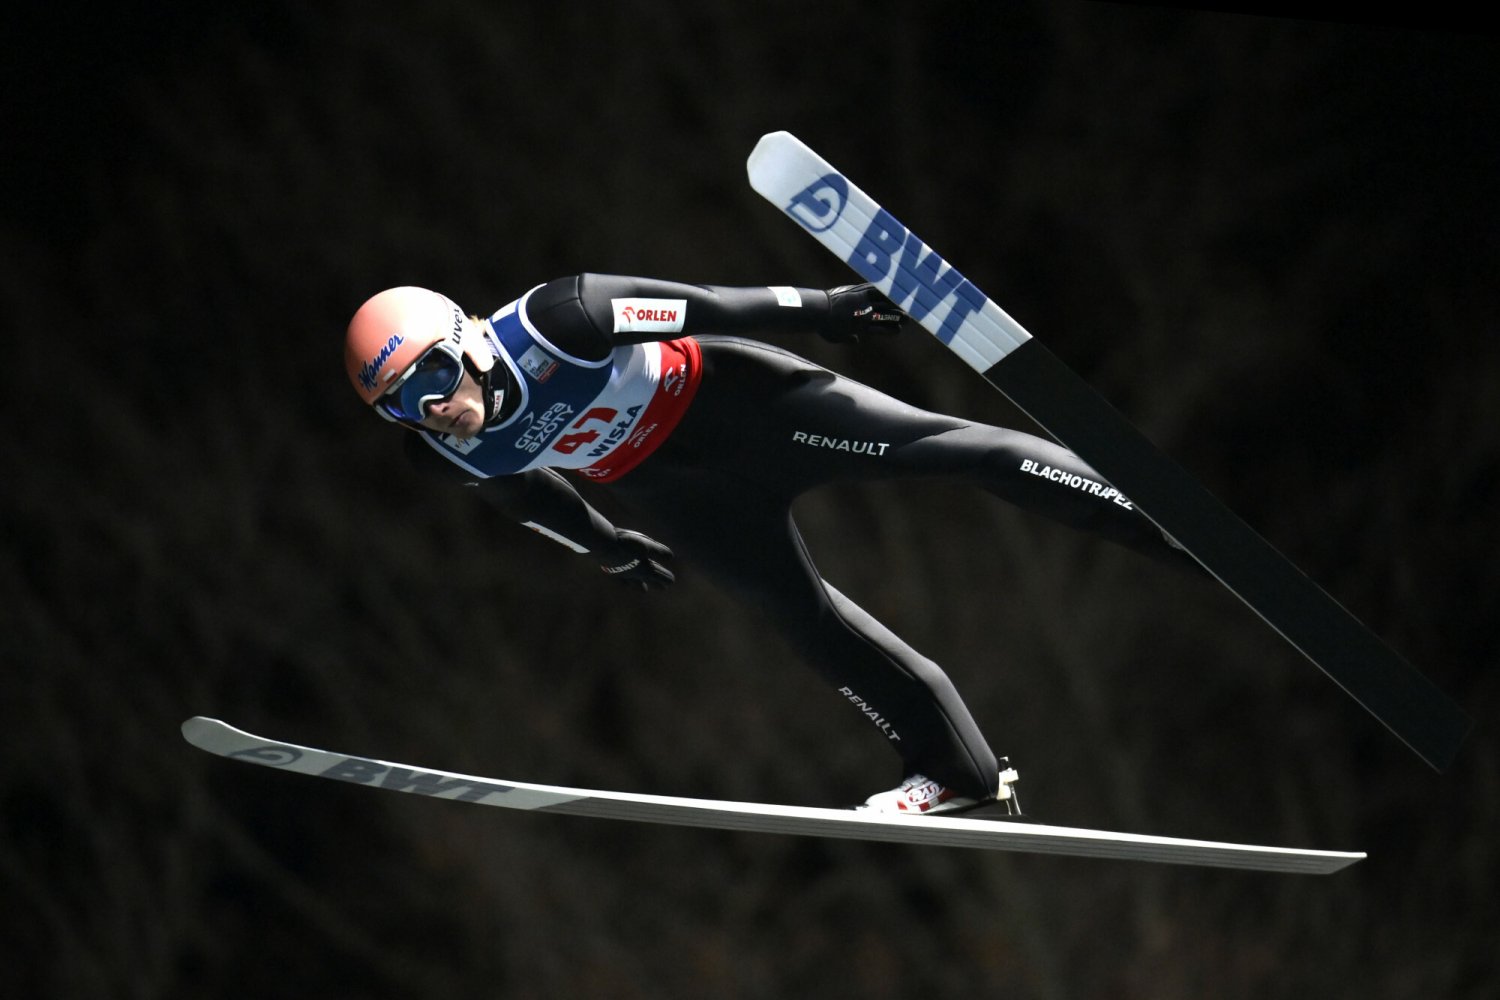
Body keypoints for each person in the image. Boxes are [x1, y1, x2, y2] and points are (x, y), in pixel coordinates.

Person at [343, 275, 1192, 815]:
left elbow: (703, 304)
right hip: (675, 492)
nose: (432, 407)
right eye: (401, 405)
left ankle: (1161, 520)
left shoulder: (561, 319)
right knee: (800, 616)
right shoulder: (440, 449)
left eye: (431, 378)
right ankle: (955, 771)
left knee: (954, 451)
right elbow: (520, 494)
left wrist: (822, 310)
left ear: (468, 340)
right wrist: (601, 545)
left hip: (748, 412)